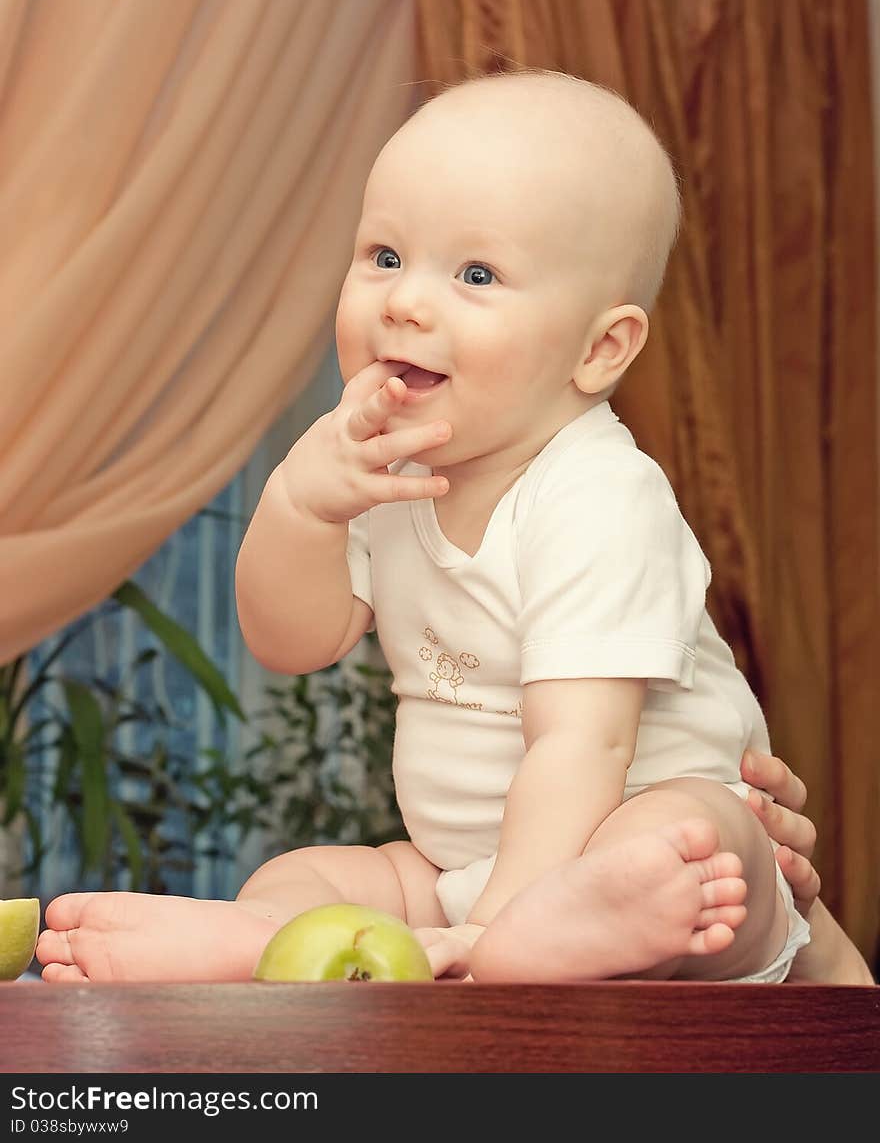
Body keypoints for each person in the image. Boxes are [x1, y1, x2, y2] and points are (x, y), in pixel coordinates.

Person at [36, 70, 873, 986]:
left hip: (628, 838)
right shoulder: (383, 468)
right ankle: (275, 943)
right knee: (304, 873)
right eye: (385, 256)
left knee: (699, 840)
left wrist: (508, 921)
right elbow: (290, 641)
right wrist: (302, 506)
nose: (403, 301)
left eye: (476, 274)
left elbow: (583, 743)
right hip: (463, 870)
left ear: (600, 350)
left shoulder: (599, 492)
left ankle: (542, 936)